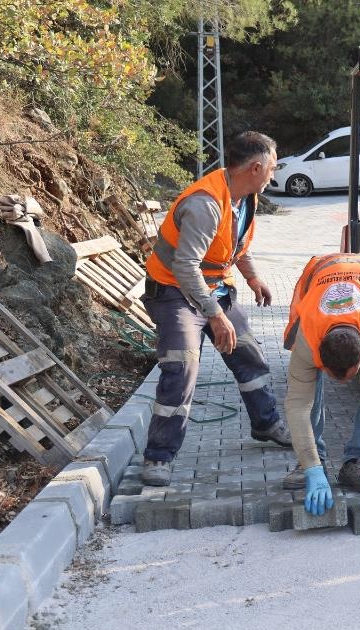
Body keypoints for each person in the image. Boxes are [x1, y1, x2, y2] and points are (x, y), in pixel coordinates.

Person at [140, 131, 291, 486]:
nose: (273, 175)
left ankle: (266, 424)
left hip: (213, 289)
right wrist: (216, 314)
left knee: (249, 354)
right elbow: (185, 267)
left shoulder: (244, 198)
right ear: (255, 167)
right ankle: (158, 457)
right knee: (182, 365)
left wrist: (253, 279)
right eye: (271, 168)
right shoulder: (205, 204)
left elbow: (236, 245)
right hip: (174, 291)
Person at [281, 253, 360, 516]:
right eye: (335, 376)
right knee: (307, 388)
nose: (344, 384)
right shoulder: (306, 340)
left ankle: (358, 460)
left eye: (350, 376)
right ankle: (312, 458)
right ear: (321, 357)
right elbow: (296, 406)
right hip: (320, 279)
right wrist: (311, 468)